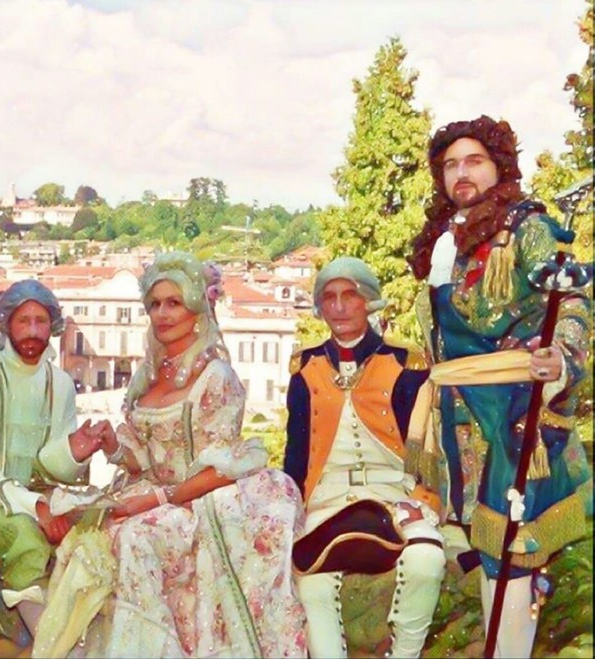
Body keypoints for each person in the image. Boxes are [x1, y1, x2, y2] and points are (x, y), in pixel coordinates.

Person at [409, 115, 592, 657]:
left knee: (512, 550)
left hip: (514, 411)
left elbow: (571, 300)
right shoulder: (446, 240)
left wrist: (560, 356)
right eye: (450, 165)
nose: (460, 173)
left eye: (474, 161)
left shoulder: (526, 228)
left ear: (499, 166)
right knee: (489, 552)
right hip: (459, 416)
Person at [85, 252, 307, 657]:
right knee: (91, 532)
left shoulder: (215, 376)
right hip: (154, 495)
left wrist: (155, 500)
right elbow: (144, 458)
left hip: (199, 502)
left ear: (196, 308)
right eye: (155, 304)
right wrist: (112, 446)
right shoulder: (149, 376)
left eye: (174, 303)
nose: (162, 314)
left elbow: (223, 469)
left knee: (136, 536)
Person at [284, 257, 445, 658]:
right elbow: (295, 456)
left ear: (369, 301)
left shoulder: (406, 363)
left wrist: (423, 500)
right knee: (312, 585)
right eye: (329, 297)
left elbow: (428, 448)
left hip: (394, 495)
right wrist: (292, 512)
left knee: (426, 560)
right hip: (328, 501)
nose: (339, 307)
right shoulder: (305, 369)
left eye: (349, 295)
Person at [0, 279, 114, 638]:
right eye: (24, 320)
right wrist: (34, 506)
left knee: (102, 522)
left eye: (41, 321)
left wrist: (73, 451)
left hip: (41, 497)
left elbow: (48, 466)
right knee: (24, 534)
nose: (33, 330)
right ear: (6, 322)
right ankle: (48, 641)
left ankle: (88, 630)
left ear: (54, 325)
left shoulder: (60, 383)